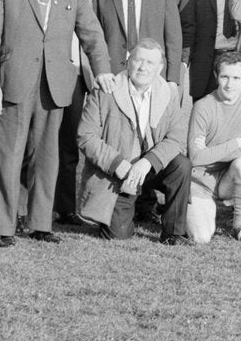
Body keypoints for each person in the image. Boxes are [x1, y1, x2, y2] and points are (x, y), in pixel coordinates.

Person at [0, 0, 114, 247]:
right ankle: (5, 228)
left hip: (54, 88)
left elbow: (92, 34)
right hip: (12, 85)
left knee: (47, 157)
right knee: (8, 157)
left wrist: (103, 70)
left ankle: (40, 224)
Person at [77, 39, 190, 244]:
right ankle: (126, 207)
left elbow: (176, 138)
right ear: (128, 62)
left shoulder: (168, 93)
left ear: (160, 68)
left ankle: (173, 233)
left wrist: (148, 162)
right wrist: (118, 164)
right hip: (118, 173)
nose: (143, 67)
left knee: (182, 165)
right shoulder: (105, 91)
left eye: (150, 63)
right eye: (138, 60)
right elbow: (86, 136)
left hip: (148, 167)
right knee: (118, 236)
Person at [186, 51, 241, 244]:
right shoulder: (203, 106)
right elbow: (195, 158)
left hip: (228, 177)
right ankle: (184, 208)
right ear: (216, 76)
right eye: (225, 77)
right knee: (201, 237)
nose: (230, 84)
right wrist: (234, 143)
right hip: (200, 179)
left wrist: (209, 152)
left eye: (236, 78)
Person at [52, 0, 99, 222]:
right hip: (45, 71)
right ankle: (27, 207)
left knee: (69, 142)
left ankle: (65, 208)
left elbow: (89, 31)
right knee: (37, 142)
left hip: (75, 72)